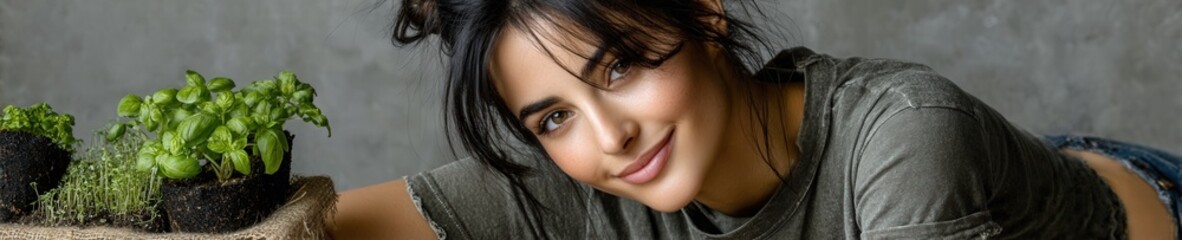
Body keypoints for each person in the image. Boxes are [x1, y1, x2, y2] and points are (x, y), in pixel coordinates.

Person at [328, 0, 1181, 238]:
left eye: (619, 67)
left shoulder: (905, 131)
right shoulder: (585, 175)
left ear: (705, 15)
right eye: (553, 118)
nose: (608, 136)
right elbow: (299, 231)